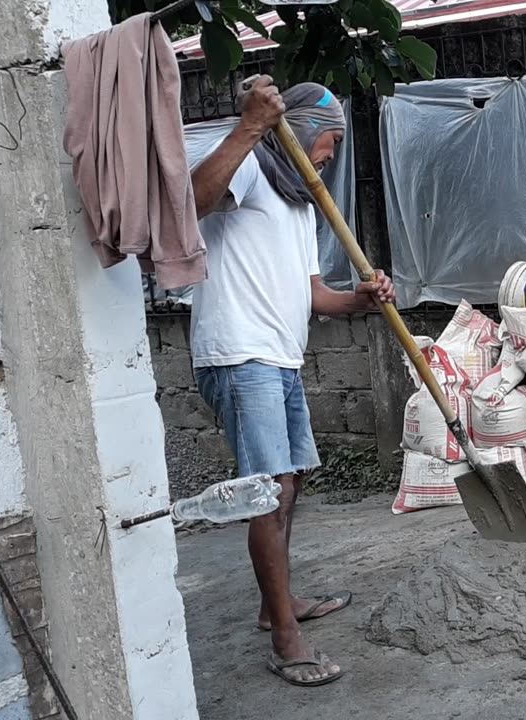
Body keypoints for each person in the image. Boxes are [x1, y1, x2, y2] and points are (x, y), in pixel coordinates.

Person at [189, 76, 395, 687]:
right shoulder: (250, 166)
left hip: (281, 357)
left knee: (290, 483)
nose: (330, 155)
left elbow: (313, 297)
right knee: (266, 493)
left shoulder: (300, 203)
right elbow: (192, 199)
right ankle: (285, 636)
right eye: (328, 140)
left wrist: (358, 300)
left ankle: (272, 604)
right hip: (239, 354)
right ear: (297, 131)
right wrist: (250, 124)